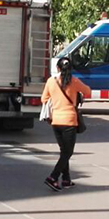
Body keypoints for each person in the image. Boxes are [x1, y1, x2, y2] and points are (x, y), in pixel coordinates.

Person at [41, 57, 91, 191]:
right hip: (69, 121)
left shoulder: (51, 82)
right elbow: (88, 91)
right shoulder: (74, 81)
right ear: (70, 69)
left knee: (64, 151)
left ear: (57, 68)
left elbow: (44, 98)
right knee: (67, 152)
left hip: (55, 121)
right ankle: (53, 177)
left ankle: (66, 179)